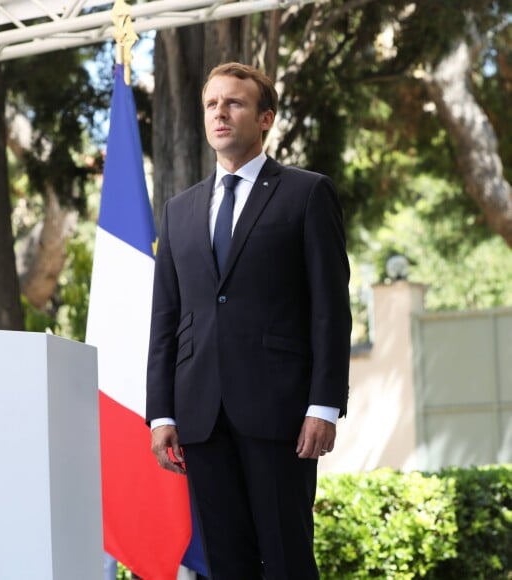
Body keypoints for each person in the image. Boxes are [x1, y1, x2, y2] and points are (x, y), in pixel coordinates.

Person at [146, 62, 351, 579]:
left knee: (286, 559)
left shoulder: (306, 194)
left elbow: (331, 309)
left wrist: (323, 405)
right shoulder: (179, 210)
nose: (220, 113)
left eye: (233, 103)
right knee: (226, 564)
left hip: (281, 414)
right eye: (212, 104)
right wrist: (162, 414)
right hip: (201, 419)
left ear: (265, 119)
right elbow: (167, 317)